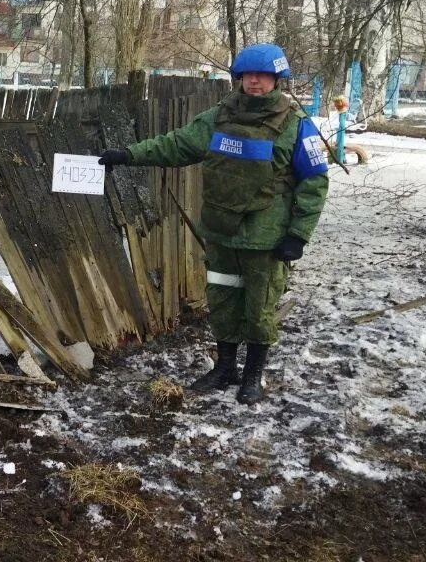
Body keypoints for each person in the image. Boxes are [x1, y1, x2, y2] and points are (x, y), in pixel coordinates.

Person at [98, 43, 330, 404]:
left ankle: (252, 375)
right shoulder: (218, 117)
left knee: (259, 307)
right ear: (239, 78)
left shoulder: (297, 126)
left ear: (277, 79)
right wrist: (129, 155)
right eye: (247, 75)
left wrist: (298, 235)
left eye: (263, 75)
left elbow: (314, 182)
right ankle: (224, 368)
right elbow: (177, 145)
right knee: (222, 302)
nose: (254, 81)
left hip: (266, 239)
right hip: (222, 232)